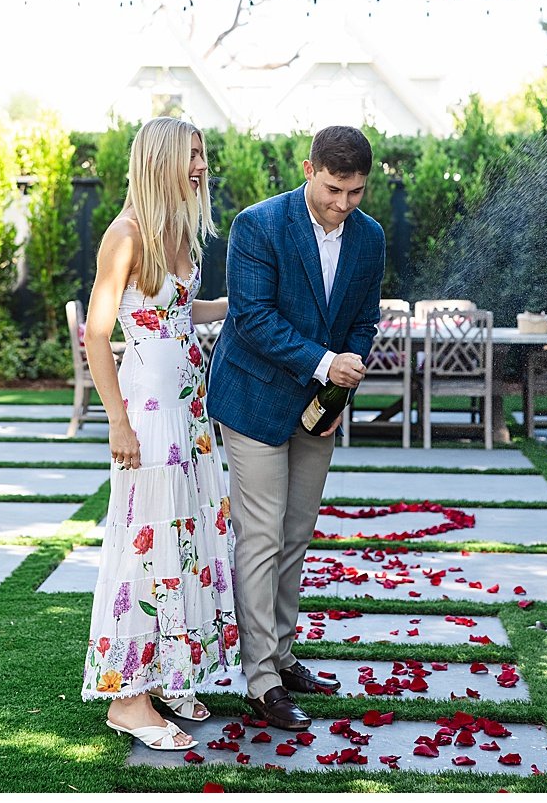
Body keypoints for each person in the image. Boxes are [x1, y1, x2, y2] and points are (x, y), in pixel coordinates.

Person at [207, 125, 386, 731]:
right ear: (308, 169)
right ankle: (259, 680)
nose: (343, 204)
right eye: (334, 188)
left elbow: (364, 316)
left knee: (296, 533)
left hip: (320, 407)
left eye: (356, 192)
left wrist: (351, 365)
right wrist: (322, 362)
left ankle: (281, 657)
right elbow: (252, 318)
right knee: (259, 537)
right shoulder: (256, 225)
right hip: (254, 398)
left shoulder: (371, 237)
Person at [80, 116, 238, 752]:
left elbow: (178, 310)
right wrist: (118, 420)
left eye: (202, 155)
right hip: (148, 414)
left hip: (190, 415)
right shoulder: (125, 235)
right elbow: (98, 333)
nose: (200, 167)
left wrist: (236, 303)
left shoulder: (178, 233)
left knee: (186, 541)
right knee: (146, 548)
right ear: (160, 160)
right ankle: (128, 699)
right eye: (191, 156)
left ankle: (169, 672)